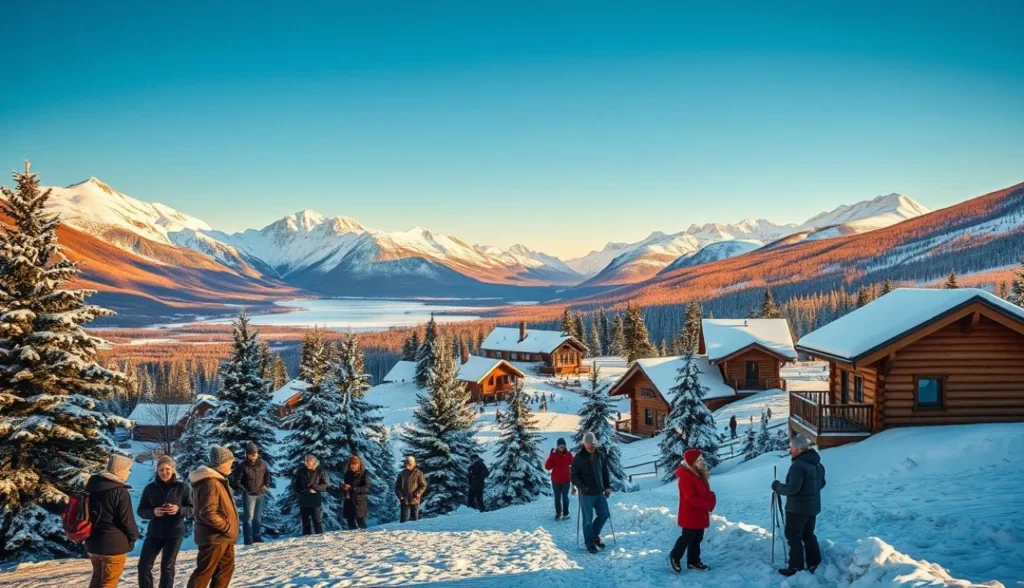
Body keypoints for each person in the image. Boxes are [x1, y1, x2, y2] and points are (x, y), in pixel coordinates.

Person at [772, 435, 826, 577]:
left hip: (797, 509)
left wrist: (777, 487)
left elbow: (792, 488)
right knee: (808, 534)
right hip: (812, 508)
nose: (791, 451)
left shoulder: (798, 466)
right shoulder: (818, 464)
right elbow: (822, 484)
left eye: (791, 448)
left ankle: (795, 568)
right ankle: (814, 562)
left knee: (793, 536)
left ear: (797, 448)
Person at [187, 445, 239, 588]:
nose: (231, 465)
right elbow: (208, 512)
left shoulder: (216, 480)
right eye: (229, 462)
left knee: (224, 572)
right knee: (204, 574)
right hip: (215, 537)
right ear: (221, 464)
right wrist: (227, 528)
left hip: (223, 537)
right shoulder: (211, 483)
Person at [137, 455, 193, 588]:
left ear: (173, 469)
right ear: (157, 471)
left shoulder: (182, 487)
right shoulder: (150, 488)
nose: (164, 472)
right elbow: (141, 510)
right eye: (161, 470)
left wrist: (179, 510)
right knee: (143, 566)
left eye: (167, 469)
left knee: (167, 567)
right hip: (154, 532)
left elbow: (192, 509)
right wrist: (153, 512)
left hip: (174, 531)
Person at [85, 453, 139, 588]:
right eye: (128, 469)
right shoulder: (120, 492)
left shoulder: (92, 487)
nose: (129, 472)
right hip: (114, 546)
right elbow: (127, 521)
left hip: (93, 543)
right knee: (108, 583)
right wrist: (132, 539)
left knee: (97, 580)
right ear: (120, 470)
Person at [669, 449, 716, 573]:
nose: (703, 461)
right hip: (690, 513)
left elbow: (704, 492)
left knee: (697, 537)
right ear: (692, 462)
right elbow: (690, 497)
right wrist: (706, 504)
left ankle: (693, 561)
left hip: (700, 513)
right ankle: (675, 556)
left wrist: (711, 497)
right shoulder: (686, 477)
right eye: (699, 459)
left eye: (702, 459)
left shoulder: (699, 474)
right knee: (687, 537)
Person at [570, 431, 612, 554]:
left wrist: (607, 486)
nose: (592, 447)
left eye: (593, 444)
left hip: (599, 492)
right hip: (586, 494)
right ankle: (589, 543)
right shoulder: (579, 457)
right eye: (589, 445)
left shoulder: (600, 455)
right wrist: (581, 486)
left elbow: (605, 471)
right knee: (587, 520)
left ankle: (594, 535)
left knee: (604, 514)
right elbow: (573, 475)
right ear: (584, 444)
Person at [232, 442, 271, 545]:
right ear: (247, 454)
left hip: (260, 494)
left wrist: (266, 484)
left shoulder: (262, 463)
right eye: (251, 453)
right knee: (248, 517)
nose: (254, 455)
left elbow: (267, 475)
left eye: (255, 453)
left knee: (257, 517)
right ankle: (248, 539)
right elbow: (237, 481)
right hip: (249, 495)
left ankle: (256, 536)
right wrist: (245, 490)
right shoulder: (243, 465)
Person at [292, 454, 329, 535]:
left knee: (317, 520)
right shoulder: (300, 471)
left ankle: (319, 537)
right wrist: (302, 491)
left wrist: (315, 487)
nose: (309, 462)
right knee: (305, 521)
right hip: (304, 500)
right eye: (307, 461)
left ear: (314, 461)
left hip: (315, 500)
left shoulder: (320, 470)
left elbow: (325, 485)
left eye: (311, 461)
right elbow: (295, 485)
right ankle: (306, 538)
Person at [544, 438, 573, 521]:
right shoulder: (554, 455)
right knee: (557, 497)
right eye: (560, 446)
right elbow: (547, 467)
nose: (562, 448)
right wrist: (551, 457)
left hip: (566, 480)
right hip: (555, 481)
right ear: (557, 447)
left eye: (563, 446)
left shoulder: (568, 455)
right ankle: (558, 514)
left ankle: (565, 513)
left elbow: (574, 465)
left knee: (565, 497)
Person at [395, 456, 427, 522]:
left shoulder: (418, 473)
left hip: (414, 499)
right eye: (406, 464)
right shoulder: (401, 474)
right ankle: (401, 532)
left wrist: (418, 493)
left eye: (409, 464)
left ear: (413, 464)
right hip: (404, 499)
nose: (407, 466)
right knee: (403, 520)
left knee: (414, 520)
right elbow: (397, 487)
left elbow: (423, 485)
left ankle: (413, 531)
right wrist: (400, 496)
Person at [342, 455, 370, 530]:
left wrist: (354, 489)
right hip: (349, 500)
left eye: (355, 464)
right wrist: (344, 488)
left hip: (359, 501)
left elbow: (366, 487)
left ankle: (364, 537)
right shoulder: (347, 474)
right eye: (351, 464)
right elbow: (345, 486)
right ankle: (352, 538)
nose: (353, 466)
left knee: (360, 520)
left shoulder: (364, 473)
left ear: (359, 464)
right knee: (350, 520)